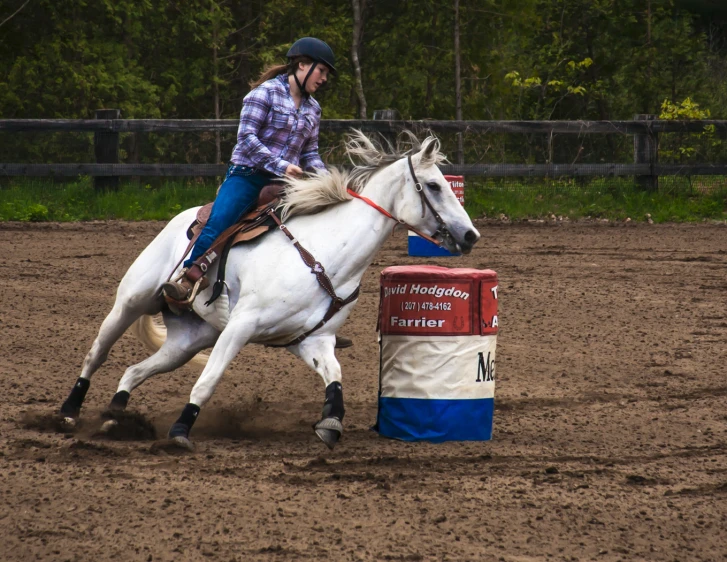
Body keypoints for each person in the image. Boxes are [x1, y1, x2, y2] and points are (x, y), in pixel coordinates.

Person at [162, 37, 352, 348]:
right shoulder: (262, 94)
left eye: (327, 74)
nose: (324, 78)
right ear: (302, 65)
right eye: (322, 71)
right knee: (221, 220)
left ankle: (314, 314)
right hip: (248, 176)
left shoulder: (313, 109)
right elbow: (247, 139)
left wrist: (330, 179)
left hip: (287, 182)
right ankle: (186, 279)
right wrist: (280, 165)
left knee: (316, 227)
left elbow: (311, 152)